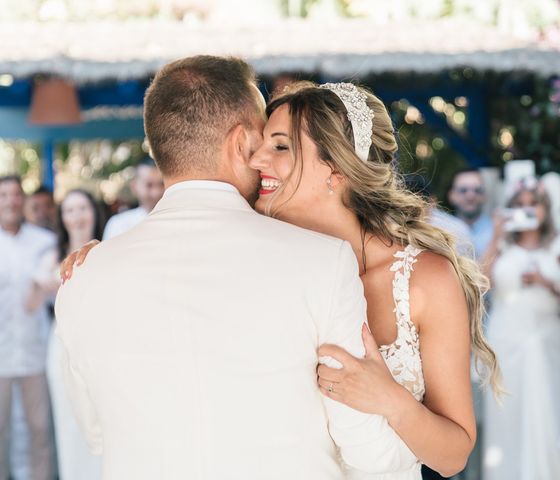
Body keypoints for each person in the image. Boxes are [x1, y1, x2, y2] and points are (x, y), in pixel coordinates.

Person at [64, 75, 502, 479]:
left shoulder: (425, 280)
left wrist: (390, 399)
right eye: (259, 145)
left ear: (336, 170)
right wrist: (105, 260)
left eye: (280, 147)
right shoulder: (256, 256)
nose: (256, 160)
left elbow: (454, 454)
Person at [0, 175, 56, 480]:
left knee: (40, 427)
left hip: (34, 349)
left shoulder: (44, 242)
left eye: (16, 195)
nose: (10, 201)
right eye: (3, 195)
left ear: (23, 200)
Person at [481, 182, 560, 480]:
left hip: (548, 338)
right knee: (508, 411)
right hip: (507, 339)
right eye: (521, 203)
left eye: (534, 202)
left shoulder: (556, 245)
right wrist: (496, 236)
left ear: (545, 208)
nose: (528, 208)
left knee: (550, 409)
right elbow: (479, 282)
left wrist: (546, 281)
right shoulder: (501, 246)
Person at [26, 190, 103, 480]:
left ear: (94, 212)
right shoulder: (52, 256)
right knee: (70, 422)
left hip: (103, 348)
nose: (77, 216)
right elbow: (30, 304)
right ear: (62, 217)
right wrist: (40, 282)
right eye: (70, 210)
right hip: (63, 348)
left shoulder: (109, 250)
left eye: (83, 208)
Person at [102, 157, 164, 239]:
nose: (156, 192)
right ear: (134, 187)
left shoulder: (178, 221)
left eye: (161, 184)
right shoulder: (118, 224)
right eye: (149, 185)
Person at [448, 168, 494, 258]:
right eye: (463, 190)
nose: (470, 196)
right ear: (451, 196)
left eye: (477, 190)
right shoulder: (441, 230)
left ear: (485, 196)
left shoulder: (497, 230)